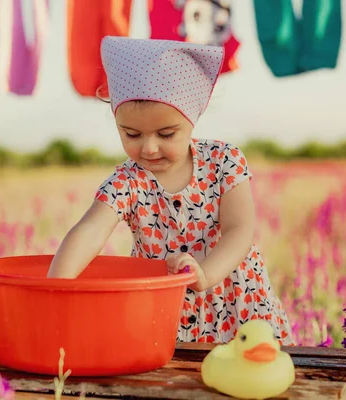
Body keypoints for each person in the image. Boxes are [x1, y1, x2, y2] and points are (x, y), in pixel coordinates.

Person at [46, 36, 293, 345]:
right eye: (131, 133)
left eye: (166, 133)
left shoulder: (223, 161)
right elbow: (90, 230)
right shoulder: (129, 180)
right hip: (166, 310)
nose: (149, 147)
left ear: (192, 119)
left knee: (248, 378)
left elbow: (239, 230)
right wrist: (54, 291)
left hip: (235, 302)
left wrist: (204, 275)